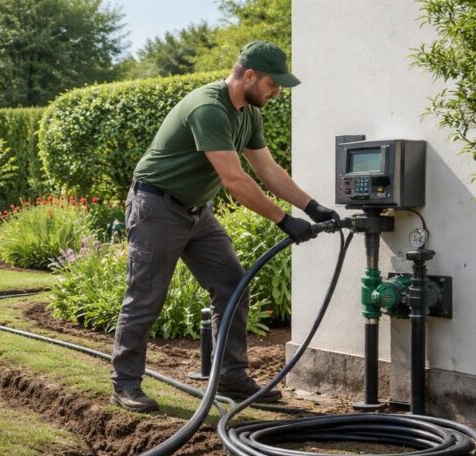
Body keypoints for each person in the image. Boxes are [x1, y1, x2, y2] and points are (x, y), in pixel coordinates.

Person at [111, 40, 339, 413]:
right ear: (249, 75)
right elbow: (235, 180)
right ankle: (125, 383)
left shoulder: (249, 113)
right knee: (146, 297)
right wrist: (283, 221)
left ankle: (232, 376)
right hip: (156, 206)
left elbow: (268, 171)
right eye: (273, 83)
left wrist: (312, 207)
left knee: (233, 285)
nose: (277, 91)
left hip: (196, 211)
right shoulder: (209, 107)